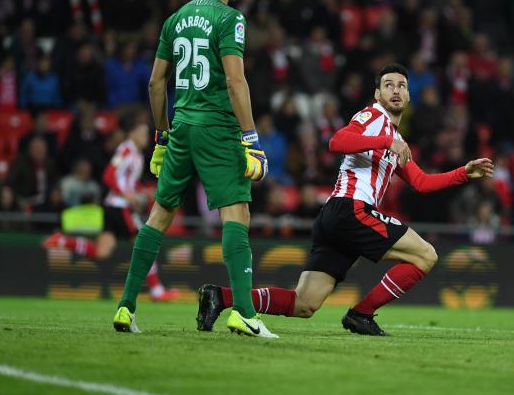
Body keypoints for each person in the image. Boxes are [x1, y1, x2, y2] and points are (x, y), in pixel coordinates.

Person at [196, 64, 494, 336]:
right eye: (388, 85)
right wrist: (386, 141)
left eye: (402, 86)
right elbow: (337, 141)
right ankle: (361, 314)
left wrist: (463, 173)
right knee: (425, 255)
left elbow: (421, 182)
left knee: (304, 304)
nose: (396, 90)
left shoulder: (394, 137)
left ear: (409, 96)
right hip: (352, 209)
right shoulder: (372, 117)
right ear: (377, 94)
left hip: (336, 218)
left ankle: (220, 297)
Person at [107, 0, 273, 337]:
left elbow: (155, 83)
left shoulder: (176, 19)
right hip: (217, 128)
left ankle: (126, 307)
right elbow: (235, 81)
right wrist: (250, 139)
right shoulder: (231, 19)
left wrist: (162, 136)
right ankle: (245, 313)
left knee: (159, 215)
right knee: (236, 214)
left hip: (181, 128)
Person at [42, 116, 179, 301]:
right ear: (131, 133)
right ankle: (157, 291)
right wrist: (127, 195)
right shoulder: (126, 149)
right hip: (119, 207)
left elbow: (126, 182)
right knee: (146, 241)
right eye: (142, 132)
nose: (145, 137)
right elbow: (108, 176)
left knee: (102, 252)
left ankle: (63, 241)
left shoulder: (136, 154)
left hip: (113, 207)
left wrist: (141, 191)